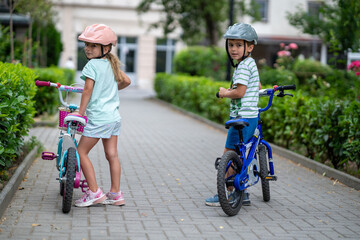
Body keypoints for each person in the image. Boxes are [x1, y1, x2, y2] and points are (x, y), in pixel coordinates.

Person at [71, 24, 131, 207]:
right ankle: (116, 194)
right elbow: (127, 81)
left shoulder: (92, 65)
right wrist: (111, 90)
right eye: (87, 45)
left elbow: (87, 89)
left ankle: (94, 192)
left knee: (81, 152)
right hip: (113, 118)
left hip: (98, 118)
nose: (88, 49)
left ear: (106, 48)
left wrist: (80, 112)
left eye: (93, 46)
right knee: (112, 155)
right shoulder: (111, 64)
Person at [205, 23, 261, 207]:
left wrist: (224, 92)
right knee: (240, 156)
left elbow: (239, 93)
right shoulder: (250, 64)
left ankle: (229, 195)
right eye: (230, 45)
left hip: (241, 119)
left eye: (239, 45)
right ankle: (242, 195)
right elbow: (257, 87)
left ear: (250, 47)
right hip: (250, 117)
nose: (233, 49)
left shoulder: (243, 67)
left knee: (228, 155)